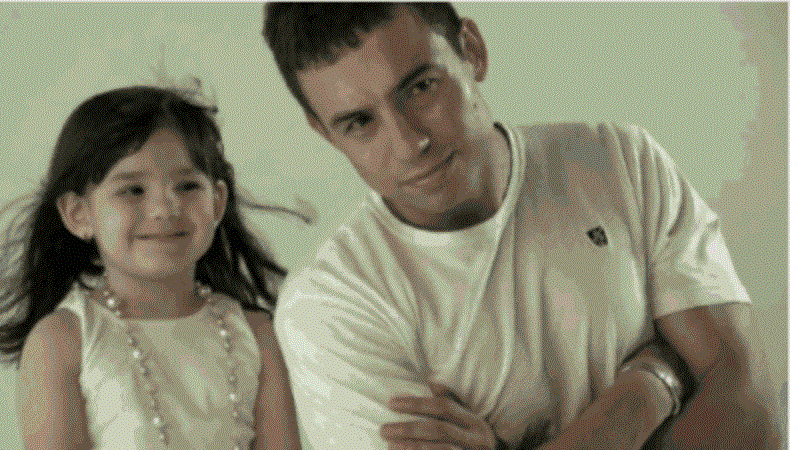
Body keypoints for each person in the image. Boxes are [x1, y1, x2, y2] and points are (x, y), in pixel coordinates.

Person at [262, 3, 781, 450]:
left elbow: (751, 411)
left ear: (472, 50)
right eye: (360, 122)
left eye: (420, 88)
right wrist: (646, 391)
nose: (410, 142)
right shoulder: (333, 307)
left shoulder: (620, 164)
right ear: (323, 132)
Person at [0, 85, 302, 450]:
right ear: (78, 214)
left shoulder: (257, 335)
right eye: (133, 190)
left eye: (187, 186)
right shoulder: (62, 341)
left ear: (217, 202)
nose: (165, 208)